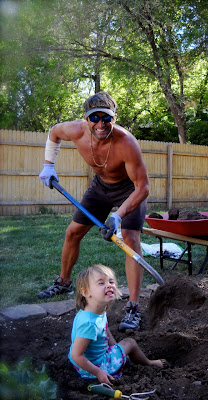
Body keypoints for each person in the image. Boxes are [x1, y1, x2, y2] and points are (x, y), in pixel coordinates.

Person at [38, 91, 149, 331]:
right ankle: (64, 282)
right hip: (100, 187)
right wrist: (48, 165)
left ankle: (133, 307)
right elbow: (54, 132)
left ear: (114, 118)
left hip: (129, 190)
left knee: (130, 240)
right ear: (86, 119)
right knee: (73, 233)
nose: (101, 124)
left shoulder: (126, 143)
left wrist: (118, 217)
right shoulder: (76, 131)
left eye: (106, 118)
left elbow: (143, 188)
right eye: (94, 118)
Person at [69, 264, 166, 383]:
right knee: (130, 342)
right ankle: (149, 363)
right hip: (94, 367)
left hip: (86, 362)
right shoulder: (90, 324)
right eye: (101, 283)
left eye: (111, 281)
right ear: (85, 291)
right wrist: (99, 372)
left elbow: (105, 329)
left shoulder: (94, 311)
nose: (109, 285)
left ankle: (119, 356)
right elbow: (76, 355)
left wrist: (116, 348)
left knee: (120, 346)